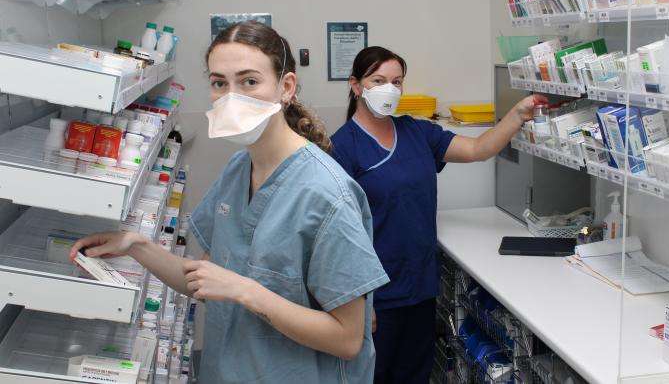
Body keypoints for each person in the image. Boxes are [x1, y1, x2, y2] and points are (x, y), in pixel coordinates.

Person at [70, 22, 389, 384]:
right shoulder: (240, 167)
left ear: (286, 87)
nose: (231, 96)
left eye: (249, 81)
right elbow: (205, 281)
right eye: (220, 83)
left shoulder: (327, 194)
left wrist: (248, 291)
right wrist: (136, 245)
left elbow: (348, 340)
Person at [330, 46, 547, 383]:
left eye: (397, 81)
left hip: (419, 284)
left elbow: (478, 149)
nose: (390, 89)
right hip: (376, 295)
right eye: (378, 80)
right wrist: (357, 301)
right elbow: (337, 234)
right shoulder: (342, 148)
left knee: (415, 374)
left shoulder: (417, 132)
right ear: (356, 86)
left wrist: (517, 114)